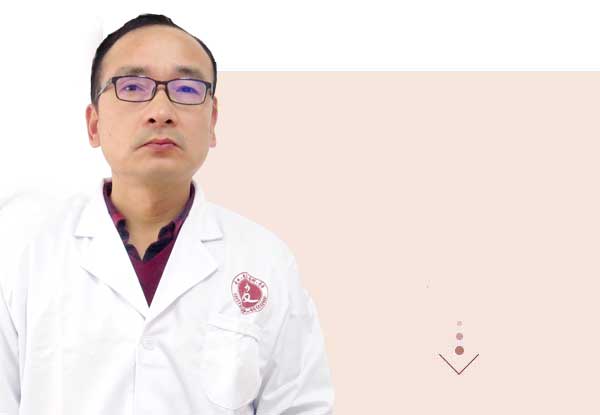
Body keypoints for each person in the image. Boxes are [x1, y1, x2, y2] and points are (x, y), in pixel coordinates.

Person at [0, 13, 334, 415]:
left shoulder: (266, 261)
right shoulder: (25, 254)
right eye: (133, 87)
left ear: (212, 122)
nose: (161, 111)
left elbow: (301, 407)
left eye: (187, 89)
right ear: (94, 124)